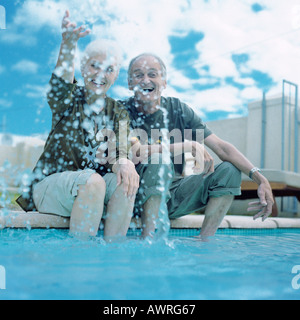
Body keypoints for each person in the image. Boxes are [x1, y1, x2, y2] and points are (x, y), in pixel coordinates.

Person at [121, 52, 274, 238]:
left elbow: (221, 147)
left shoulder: (179, 110)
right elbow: (137, 152)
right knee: (157, 159)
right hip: (133, 197)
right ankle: (149, 242)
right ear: (130, 83)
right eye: (138, 75)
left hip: (174, 196)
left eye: (153, 74)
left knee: (229, 170)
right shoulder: (121, 111)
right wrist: (187, 145)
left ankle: (204, 241)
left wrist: (260, 179)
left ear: (164, 82)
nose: (146, 80)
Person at [16, 11, 139, 241]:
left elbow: (122, 142)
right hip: (48, 188)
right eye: (94, 66)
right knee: (93, 181)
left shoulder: (118, 111)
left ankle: (114, 255)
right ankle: (80, 263)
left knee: (126, 181)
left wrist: (125, 160)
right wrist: (68, 44)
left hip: (91, 190)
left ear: (116, 75)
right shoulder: (68, 98)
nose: (100, 74)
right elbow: (60, 83)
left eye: (109, 69)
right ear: (82, 67)